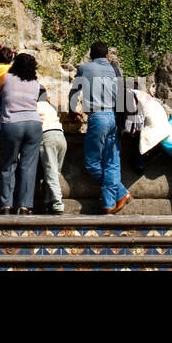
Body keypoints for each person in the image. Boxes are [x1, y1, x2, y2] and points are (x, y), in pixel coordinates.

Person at [69, 42, 130, 214]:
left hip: (98, 117)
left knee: (92, 162)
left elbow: (74, 92)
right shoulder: (116, 69)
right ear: (106, 55)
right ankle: (109, 204)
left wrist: (73, 110)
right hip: (114, 118)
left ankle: (121, 192)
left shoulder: (84, 68)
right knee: (112, 161)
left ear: (90, 54)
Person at [0, 52, 44, 215]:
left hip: (12, 123)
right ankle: (25, 206)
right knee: (29, 167)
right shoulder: (36, 83)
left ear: (15, 64)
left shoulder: (5, 78)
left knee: (9, 164)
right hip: (34, 124)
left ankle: (6, 205)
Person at [38, 91, 67, 215]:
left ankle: (57, 204)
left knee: (51, 173)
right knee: (56, 172)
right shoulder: (50, 106)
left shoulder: (35, 106)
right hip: (61, 136)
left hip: (48, 136)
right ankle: (48, 201)